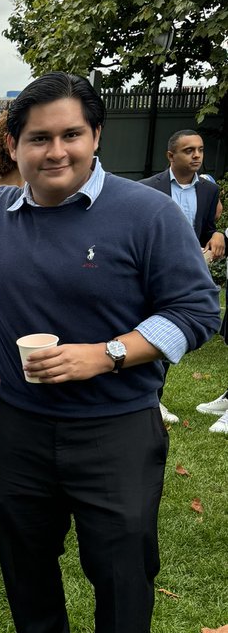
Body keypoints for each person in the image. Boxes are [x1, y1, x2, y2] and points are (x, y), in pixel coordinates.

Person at [0, 72, 220, 633]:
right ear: (14, 145)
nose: (56, 151)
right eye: (39, 138)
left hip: (116, 423)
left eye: (70, 135)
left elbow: (198, 315)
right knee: (22, 551)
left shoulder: (147, 215)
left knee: (120, 567)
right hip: (19, 423)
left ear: (95, 136)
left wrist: (106, 355)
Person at [140, 131, 225, 423]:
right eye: (189, 150)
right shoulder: (149, 188)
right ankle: (151, 399)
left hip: (187, 274)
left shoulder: (208, 191)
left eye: (200, 150)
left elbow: (206, 227)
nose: (197, 155)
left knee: (172, 332)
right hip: (153, 271)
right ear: (170, 156)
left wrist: (216, 234)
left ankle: (154, 399)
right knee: (151, 331)